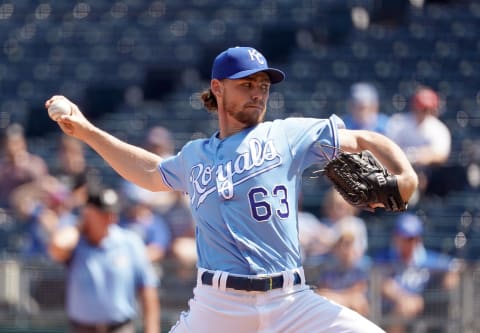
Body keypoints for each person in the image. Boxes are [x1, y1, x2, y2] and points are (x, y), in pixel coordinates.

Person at [45, 46, 418, 333]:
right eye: (247, 84)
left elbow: (366, 138)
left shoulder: (287, 134)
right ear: (217, 89)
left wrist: (406, 175)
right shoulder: (195, 156)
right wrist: (88, 131)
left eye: (263, 85)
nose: (258, 93)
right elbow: (149, 172)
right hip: (217, 305)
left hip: (291, 301)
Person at [48, 185, 160, 333]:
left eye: (113, 212)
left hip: (120, 327)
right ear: (88, 213)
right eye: (103, 213)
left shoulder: (129, 242)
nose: (111, 218)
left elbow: (147, 290)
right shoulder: (76, 243)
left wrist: (152, 330)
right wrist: (80, 226)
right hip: (82, 328)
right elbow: (57, 246)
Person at [373, 213, 462, 333]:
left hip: (424, 308)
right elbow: (380, 283)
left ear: (418, 239)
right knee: (404, 307)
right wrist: (404, 298)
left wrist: (447, 281)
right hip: (388, 310)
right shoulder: (385, 258)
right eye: (404, 238)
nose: (408, 242)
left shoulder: (427, 259)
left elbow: (454, 268)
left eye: (412, 238)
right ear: (396, 237)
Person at [385, 86, 451, 195]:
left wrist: (418, 156)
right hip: (399, 168)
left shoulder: (438, 128)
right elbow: (388, 147)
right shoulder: (399, 122)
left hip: (428, 174)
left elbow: (441, 155)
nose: (423, 112)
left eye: (427, 109)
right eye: (421, 108)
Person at [313, 218, 372, 317]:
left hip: (353, 311)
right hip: (335, 309)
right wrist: (343, 299)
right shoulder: (329, 266)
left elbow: (358, 293)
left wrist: (336, 298)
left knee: (358, 303)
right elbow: (322, 293)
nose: (345, 248)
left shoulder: (363, 265)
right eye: (341, 243)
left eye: (348, 243)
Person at [0, 123, 49, 208]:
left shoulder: (35, 162)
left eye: (15, 143)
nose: (10, 147)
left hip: (31, 209)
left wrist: (22, 165)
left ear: (23, 143)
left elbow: (42, 185)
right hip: (5, 210)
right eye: (7, 144)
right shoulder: (3, 166)